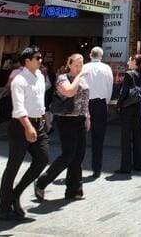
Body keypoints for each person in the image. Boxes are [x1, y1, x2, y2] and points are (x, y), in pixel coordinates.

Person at [0, 46, 49, 222]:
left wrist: (44, 119)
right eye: (38, 57)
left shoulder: (41, 77)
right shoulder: (19, 80)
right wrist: (28, 127)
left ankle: (15, 194)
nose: (41, 60)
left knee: (43, 159)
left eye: (41, 57)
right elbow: (18, 108)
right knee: (13, 166)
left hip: (38, 124)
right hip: (21, 125)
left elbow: (39, 101)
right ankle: (3, 210)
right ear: (27, 61)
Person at [35, 53, 90, 201]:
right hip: (66, 121)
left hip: (80, 120)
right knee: (68, 155)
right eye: (76, 65)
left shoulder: (83, 80)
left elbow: (85, 100)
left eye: (81, 64)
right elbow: (69, 91)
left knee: (78, 156)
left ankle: (74, 190)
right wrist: (80, 76)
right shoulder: (62, 78)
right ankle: (42, 181)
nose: (79, 68)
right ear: (70, 65)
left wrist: (87, 117)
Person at [80, 46, 113, 178]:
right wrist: (106, 102)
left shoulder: (84, 67)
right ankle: (96, 168)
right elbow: (110, 87)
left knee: (81, 136)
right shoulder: (106, 68)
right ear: (101, 55)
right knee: (98, 138)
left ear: (90, 55)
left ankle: (78, 166)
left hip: (85, 103)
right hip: (100, 103)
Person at [115, 55, 141, 175]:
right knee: (137, 136)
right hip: (137, 106)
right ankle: (139, 164)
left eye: (129, 59)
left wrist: (118, 105)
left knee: (126, 137)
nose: (127, 61)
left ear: (134, 61)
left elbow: (124, 92)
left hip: (127, 108)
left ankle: (126, 166)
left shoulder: (129, 74)